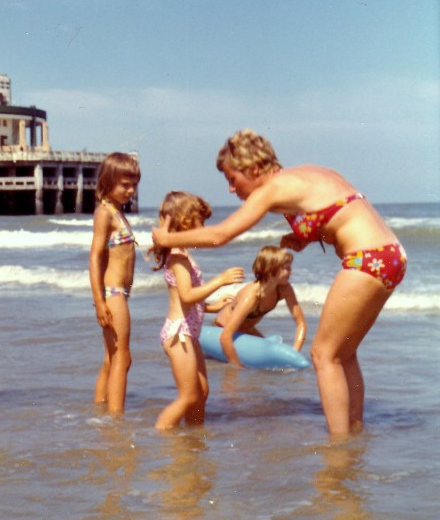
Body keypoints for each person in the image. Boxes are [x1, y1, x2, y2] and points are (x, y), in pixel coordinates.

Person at [152, 129, 407, 438]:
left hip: (367, 257)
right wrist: (304, 237)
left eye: (232, 179)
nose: (231, 189)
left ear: (252, 169)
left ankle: (338, 447)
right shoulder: (308, 174)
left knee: (323, 355)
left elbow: (220, 234)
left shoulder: (272, 189)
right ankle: (353, 435)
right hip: (391, 255)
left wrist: (165, 239)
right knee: (344, 353)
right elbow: (338, 211)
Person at [152, 191, 244, 430]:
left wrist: (212, 306)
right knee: (188, 396)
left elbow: (188, 301)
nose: (204, 229)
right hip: (178, 334)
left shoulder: (184, 254)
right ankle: (160, 435)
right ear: (185, 223)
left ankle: (193, 437)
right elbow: (186, 295)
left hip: (189, 334)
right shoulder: (178, 257)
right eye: (201, 222)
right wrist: (220, 280)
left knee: (201, 391)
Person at [89, 152, 141, 415]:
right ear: (107, 182)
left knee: (112, 358)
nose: (131, 190)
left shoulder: (117, 213)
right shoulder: (105, 213)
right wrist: (99, 301)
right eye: (125, 185)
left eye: (134, 185)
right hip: (113, 294)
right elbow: (94, 257)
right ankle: (116, 419)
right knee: (123, 357)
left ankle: (101, 410)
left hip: (118, 294)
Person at [212, 246, 306, 368]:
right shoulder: (251, 296)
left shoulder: (284, 289)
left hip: (247, 331)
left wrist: (295, 353)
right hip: (220, 330)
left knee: (272, 359)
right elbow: (225, 336)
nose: (291, 272)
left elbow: (301, 323)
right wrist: (237, 367)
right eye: (287, 268)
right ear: (272, 270)